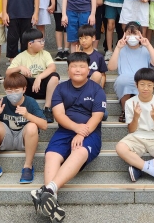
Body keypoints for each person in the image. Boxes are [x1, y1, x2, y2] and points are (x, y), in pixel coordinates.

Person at [31, 52, 106, 223]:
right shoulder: (61, 88)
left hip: (90, 133)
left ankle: (48, 191)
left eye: (81, 66)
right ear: (68, 69)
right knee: (51, 155)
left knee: (78, 151)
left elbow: (96, 117)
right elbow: (58, 114)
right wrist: (75, 128)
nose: (77, 69)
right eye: (73, 66)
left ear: (88, 69)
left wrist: (81, 132)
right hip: (65, 131)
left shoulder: (97, 89)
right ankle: (52, 201)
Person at [0, 72, 48, 185]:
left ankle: (28, 167)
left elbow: (44, 125)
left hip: (23, 139)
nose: (13, 93)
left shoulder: (30, 102)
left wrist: (28, 115)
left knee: (32, 126)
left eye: (16, 90)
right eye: (9, 90)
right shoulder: (2, 102)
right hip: (6, 138)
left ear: (24, 89)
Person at [108, 22, 154, 122]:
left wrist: (148, 45)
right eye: (129, 33)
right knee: (122, 80)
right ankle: (125, 110)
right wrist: (118, 47)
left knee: (144, 81)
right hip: (125, 79)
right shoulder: (121, 50)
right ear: (124, 35)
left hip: (141, 79)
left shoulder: (145, 49)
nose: (132, 36)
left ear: (141, 34)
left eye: (135, 33)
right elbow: (111, 67)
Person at [6, 28, 60, 123]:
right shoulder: (21, 56)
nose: (43, 43)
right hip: (28, 88)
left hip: (42, 86)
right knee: (16, 76)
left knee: (54, 76)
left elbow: (52, 67)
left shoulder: (45, 54)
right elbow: (8, 72)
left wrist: (39, 77)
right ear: (30, 44)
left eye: (43, 40)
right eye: (40, 41)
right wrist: (20, 68)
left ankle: (47, 109)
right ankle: (21, 106)